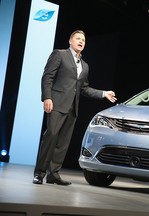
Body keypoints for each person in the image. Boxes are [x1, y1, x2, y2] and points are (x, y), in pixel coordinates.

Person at [33, 30, 117, 186]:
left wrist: (103, 93)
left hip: (73, 108)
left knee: (62, 143)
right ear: (70, 41)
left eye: (83, 40)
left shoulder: (85, 66)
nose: (81, 41)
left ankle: (54, 174)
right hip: (57, 103)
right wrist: (47, 97)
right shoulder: (59, 54)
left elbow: (84, 89)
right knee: (51, 137)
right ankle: (39, 173)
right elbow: (47, 77)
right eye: (78, 38)